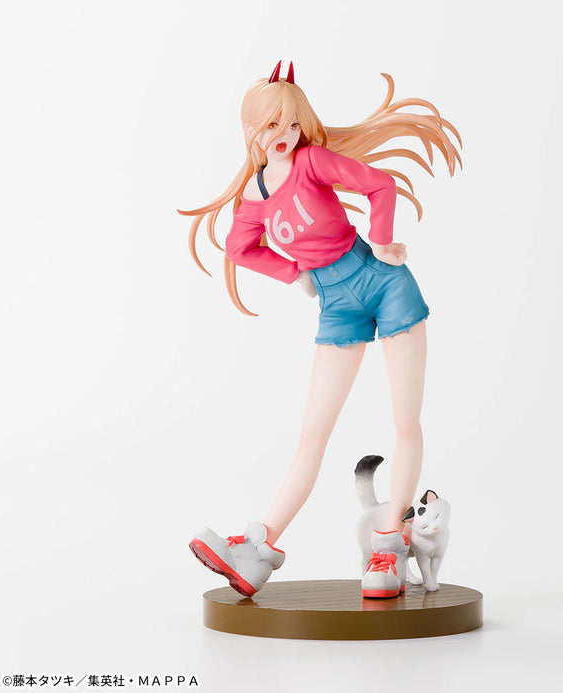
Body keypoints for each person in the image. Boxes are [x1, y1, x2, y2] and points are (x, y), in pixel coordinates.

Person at [179, 61, 461, 599]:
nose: (285, 134)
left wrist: (383, 240)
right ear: (251, 131)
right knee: (312, 436)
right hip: (336, 305)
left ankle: (389, 545)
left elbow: (379, 185)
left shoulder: (311, 161)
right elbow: (239, 248)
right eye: (272, 125)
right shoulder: (255, 199)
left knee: (405, 420)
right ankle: (257, 550)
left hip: (383, 281)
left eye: (292, 123)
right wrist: (295, 273)